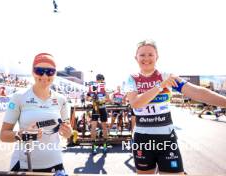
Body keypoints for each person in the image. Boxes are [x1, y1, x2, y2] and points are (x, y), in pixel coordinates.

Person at [125, 40, 226, 175]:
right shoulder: (132, 78)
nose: (146, 58)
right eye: (142, 55)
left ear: (157, 57)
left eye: (150, 54)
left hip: (166, 138)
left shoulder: (167, 76)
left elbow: (196, 92)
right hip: (142, 140)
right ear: (136, 58)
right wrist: (160, 86)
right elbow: (136, 103)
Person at [0, 53, 72, 174]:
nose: (44, 75)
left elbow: (68, 133)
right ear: (33, 72)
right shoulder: (19, 97)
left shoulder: (61, 99)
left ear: (55, 74)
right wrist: (23, 135)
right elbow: (3, 135)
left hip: (55, 164)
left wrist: (68, 132)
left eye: (49, 71)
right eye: (39, 70)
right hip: (24, 165)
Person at [86, 74, 110, 154]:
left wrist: (102, 100)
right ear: (97, 80)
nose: (101, 81)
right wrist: (92, 99)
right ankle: (94, 146)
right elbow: (87, 98)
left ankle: (104, 145)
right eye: (100, 80)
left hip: (102, 108)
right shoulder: (92, 87)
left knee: (103, 127)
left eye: (102, 80)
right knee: (94, 127)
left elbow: (108, 99)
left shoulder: (103, 87)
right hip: (95, 108)